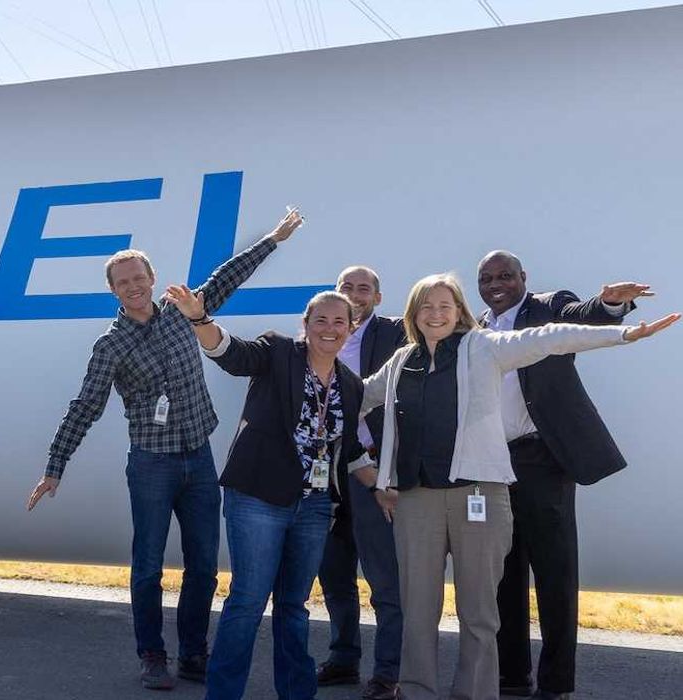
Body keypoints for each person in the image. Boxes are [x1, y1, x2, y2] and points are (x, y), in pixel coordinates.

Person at [361, 273, 677, 700]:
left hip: (479, 496)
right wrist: (354, 452)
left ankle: (474, 693)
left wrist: (623, 333)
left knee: (479, 612)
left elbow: (550, 337)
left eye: (444, 306)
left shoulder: (484, 346)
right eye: (426, 307)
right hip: (416, 499)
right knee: (417, 610)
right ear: (413, 314)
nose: (435, 314)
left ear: (459, 312)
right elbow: (355, 399)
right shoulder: (400, 362)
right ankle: (418, 692)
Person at [26, 209, 305, 690]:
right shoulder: (109, 346)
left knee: (203, 565)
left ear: (153, 279)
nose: (133, 286)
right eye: (123, 282)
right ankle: (152, 655)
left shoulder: (182, 311)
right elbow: (85, 406)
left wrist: (273, 239)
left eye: (139, 277)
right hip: (151, 465)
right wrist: (55, 466)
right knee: (149, 566)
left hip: (199, 459)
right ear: (113, 290)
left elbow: (228, 276)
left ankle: (193, 653)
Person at [170, 284, 365, 700]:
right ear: (305, 325)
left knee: (294, 607)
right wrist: (199, 319)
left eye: (339, 321)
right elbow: (233, 355)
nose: (329, 328)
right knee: (248, 600)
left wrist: (384, 488)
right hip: (258, 498)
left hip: (313, 507)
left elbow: (347, 451)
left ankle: (297, 693)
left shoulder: (351, 384)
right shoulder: (279, 352)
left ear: (352, 327)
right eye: (320, 320)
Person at [476, 251, 652, 700]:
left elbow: (583, 316)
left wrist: (610, 306)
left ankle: (555, 684)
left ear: (524, 278)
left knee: (554, 575)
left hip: (542, 459)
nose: (496, 283)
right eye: (487, 277)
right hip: (494, 464)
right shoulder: (476, 327)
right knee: (503, 573)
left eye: (505, 275)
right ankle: (512, 676)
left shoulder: (549, 306)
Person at [316, 266, 407, 699]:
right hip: (326, 474)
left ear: (378, 296)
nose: (354, 294)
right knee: (334, 575)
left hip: (373, 472)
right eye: (346, 287)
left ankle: (389, 672)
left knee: (385, 579)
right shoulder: (322, 339)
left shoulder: (394, 333)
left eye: (363, 288)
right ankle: (343, 659)